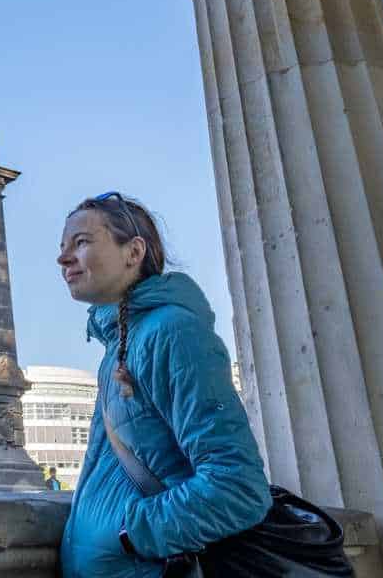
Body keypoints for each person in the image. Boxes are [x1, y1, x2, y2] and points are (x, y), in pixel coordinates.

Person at [58, 193, 270, 577]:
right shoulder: (117, 348)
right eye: (63, 246)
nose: (63, 257)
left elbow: (238, 486)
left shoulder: (173, 332)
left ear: (133, 251)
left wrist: (130, 533)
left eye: (82, 242)